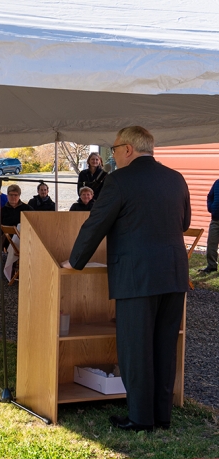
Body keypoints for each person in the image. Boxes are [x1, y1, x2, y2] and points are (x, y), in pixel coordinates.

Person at [63, 126, 190, 432]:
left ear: (129, 149)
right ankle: (162, 416)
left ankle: (140, 418)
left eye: (116, 148)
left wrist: (75, 260)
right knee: (163, 346)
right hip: (173, 274)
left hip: (136, 277)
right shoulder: (176, 178)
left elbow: (97, 223)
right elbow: (184, 222)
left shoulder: (119, 180)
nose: (114, 154)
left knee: (136, 349)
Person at [0, 184, 31, 262]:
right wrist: (1, 232)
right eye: (11, 195)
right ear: (7, 196)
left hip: (24, 239)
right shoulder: (4, 210)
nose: (13, 197)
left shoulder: (27, 209)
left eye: (15, 195)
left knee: (10, 231)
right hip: (8, 240)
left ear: (19, 196)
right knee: (7, 232)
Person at [200, 176, 219, 274]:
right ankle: (212, 266)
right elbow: (210, 196)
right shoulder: (217, 183)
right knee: (211, 244)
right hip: (215, 220)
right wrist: (211, 207)